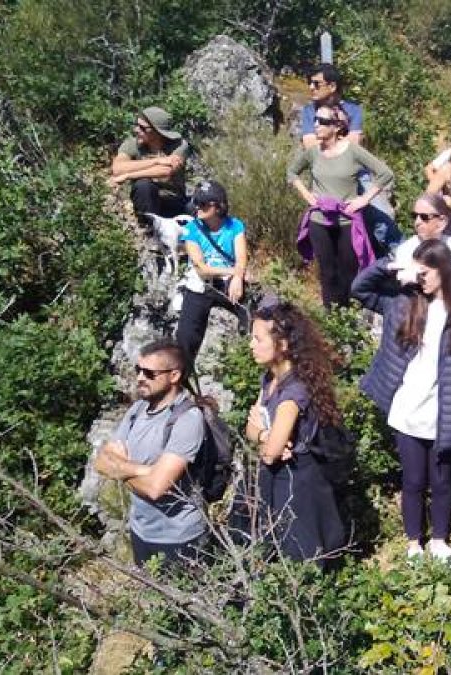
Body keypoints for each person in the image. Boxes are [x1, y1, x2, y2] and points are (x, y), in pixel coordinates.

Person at [354, 239, 451, 564]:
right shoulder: (405, 303)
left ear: (444, 270)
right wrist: (391, 267)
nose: (420, 279)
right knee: (414, 480)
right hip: (407, 410)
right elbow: (360, 289)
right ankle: (413, 542)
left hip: (444, 414)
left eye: (426, 272)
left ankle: (440, 540)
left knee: (442, 481)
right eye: (416, 272)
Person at [242, 303, 346, 567]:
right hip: (281, 477)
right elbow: (252, 430)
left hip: (297, 483)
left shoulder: (293, 394)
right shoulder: (270, 380)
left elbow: (269, 454)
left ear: (283, 344)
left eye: (258, 339)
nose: (251, 345)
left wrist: (266, 438)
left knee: (300, 554)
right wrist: (267, 435)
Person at [93, 339, 207, 567]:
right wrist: (143, 470)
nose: (140, 378)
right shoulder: (137, 410)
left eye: (149, 373)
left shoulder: (187, 419)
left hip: (179, 538)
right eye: (138, 370)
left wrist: (121, 467)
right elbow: (101, 462)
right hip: (141, 531)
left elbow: (156, 489)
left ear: (174, 376)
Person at [289, 103, 396, 307]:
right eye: (315, 121)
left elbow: (385, 174)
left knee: (348, 273)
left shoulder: (353, 151)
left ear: (337, 127)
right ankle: (331, 321)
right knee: (327, 273)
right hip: (319, 220)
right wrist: (308, 196)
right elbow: (292, 173)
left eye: (323, 122)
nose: (317, 125)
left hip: (347, 220)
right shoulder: (313, 153)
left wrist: (364, 200)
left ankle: (346, 318)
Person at [294, 64, 400, 254]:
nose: (311, 87)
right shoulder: (309, 112)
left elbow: (354, 145)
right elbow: (311, 145)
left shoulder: (353, 109)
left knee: (384, 219)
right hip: (327, 178)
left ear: (332, 86)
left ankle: (402, 260)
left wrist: (331, 142)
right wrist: (338, 139)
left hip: (358, 176)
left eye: (316, 83)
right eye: (309, 83)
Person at [174, 180, 250, 367]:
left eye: (203, 204)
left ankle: (246, 349)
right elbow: (201, 267)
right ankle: (183, 372)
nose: (197, 207)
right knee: (185, 337)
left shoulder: (235, 226)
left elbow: (241, 257)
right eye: (196, 203)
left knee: (252, 315)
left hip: (227, 281)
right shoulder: (192, 229)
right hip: (202, 284)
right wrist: (235, 271)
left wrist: (237, 277)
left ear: (217, 207)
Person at [109, 106, 191, 221]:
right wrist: (157, 161)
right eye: (137, 125)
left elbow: (166, 171)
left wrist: (129, 175)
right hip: (147, 201)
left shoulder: (179, 145)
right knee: (143, 186)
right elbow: (117, 169)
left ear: (158, 132)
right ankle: (149, 229)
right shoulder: (132, 144)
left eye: (143, 128)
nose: (136, 130)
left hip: (174, 202)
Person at [389, 193, 451, 277]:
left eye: (424, 217)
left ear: (442, 222)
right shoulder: (405, 250)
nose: (417, 222)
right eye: (414, 216)